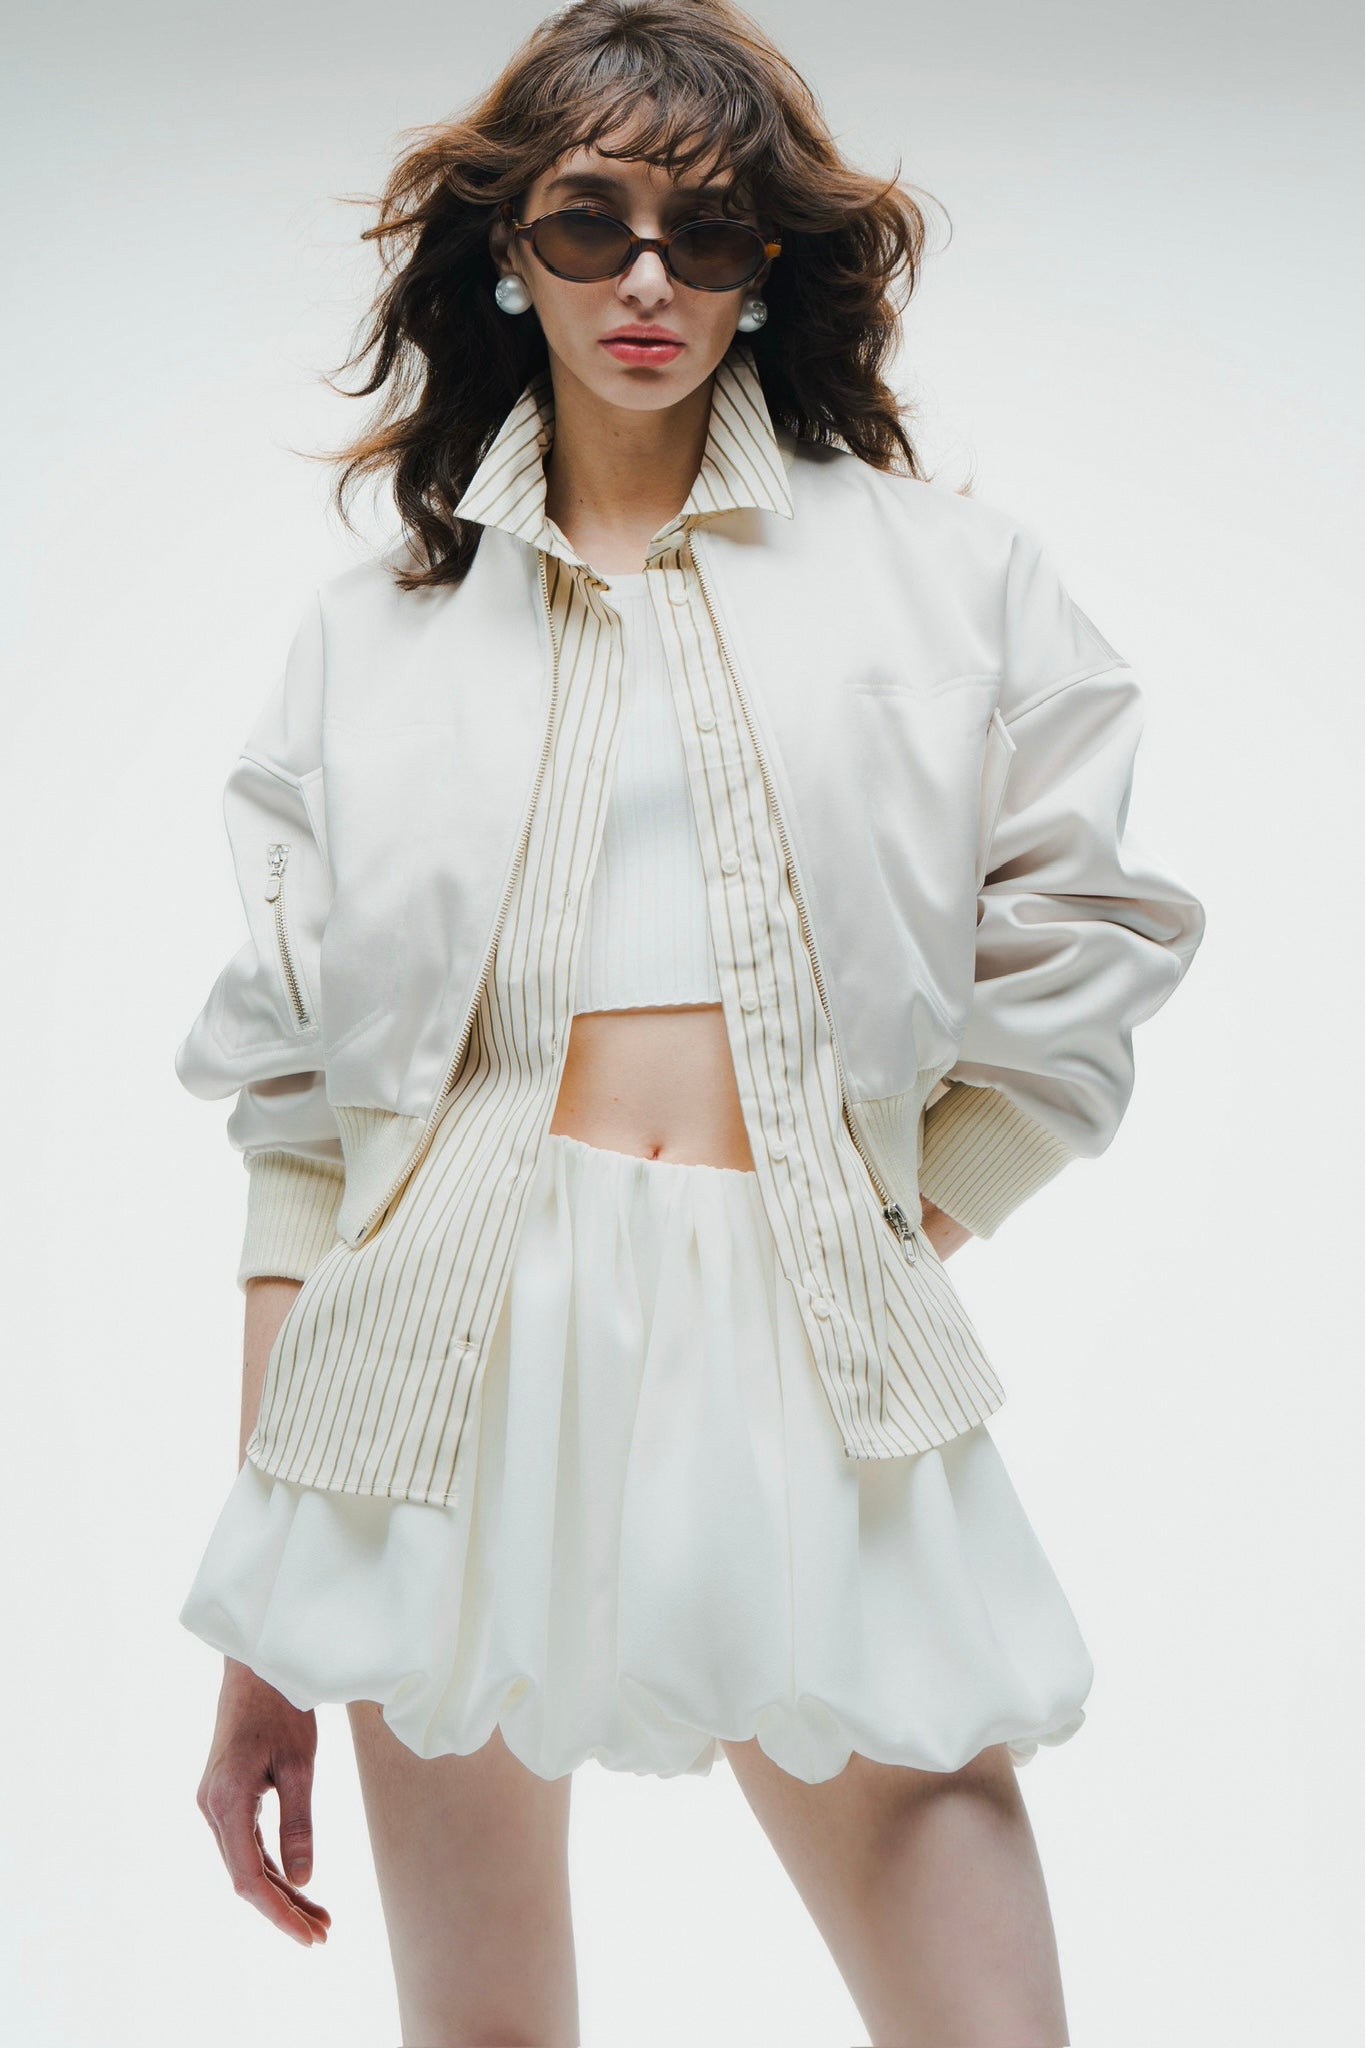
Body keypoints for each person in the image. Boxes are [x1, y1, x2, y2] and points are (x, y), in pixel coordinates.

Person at [175, 3, 1206, 2041]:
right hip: (440, 1360)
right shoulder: (374, 638)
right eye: (590, 224)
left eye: (706, 233)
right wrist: (264, 1623)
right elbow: (294, 1127)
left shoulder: (945, 577)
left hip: (806, 1327)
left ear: (766, 269)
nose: (645, 281)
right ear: (507, 253)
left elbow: (1087, 927)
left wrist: (894, 1221)